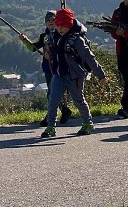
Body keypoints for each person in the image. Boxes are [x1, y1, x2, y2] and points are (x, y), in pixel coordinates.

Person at [40, 8, 107, 138]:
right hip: (58, 75)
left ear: (70, 24)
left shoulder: (77, 39)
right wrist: (47, 54)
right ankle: (50, 127)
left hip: (75, 76)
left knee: (79, 101)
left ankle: (88, 123)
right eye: (58, 25)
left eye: (63, 26)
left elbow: (89, 58)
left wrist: (101, 75)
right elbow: (50, 51)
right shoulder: (53, 37)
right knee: (53, 101)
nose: (60, 29)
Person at [20, 10, 72, 126]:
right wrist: (25, 40)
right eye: (48, 20)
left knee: (53, 93)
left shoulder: (61, 33)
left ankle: (51, 117)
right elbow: (34, 47)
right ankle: (64, 111)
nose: (50, 22)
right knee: (52, 92)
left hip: (59, 67)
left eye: (53, 19)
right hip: (48, 69)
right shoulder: (44, 36)